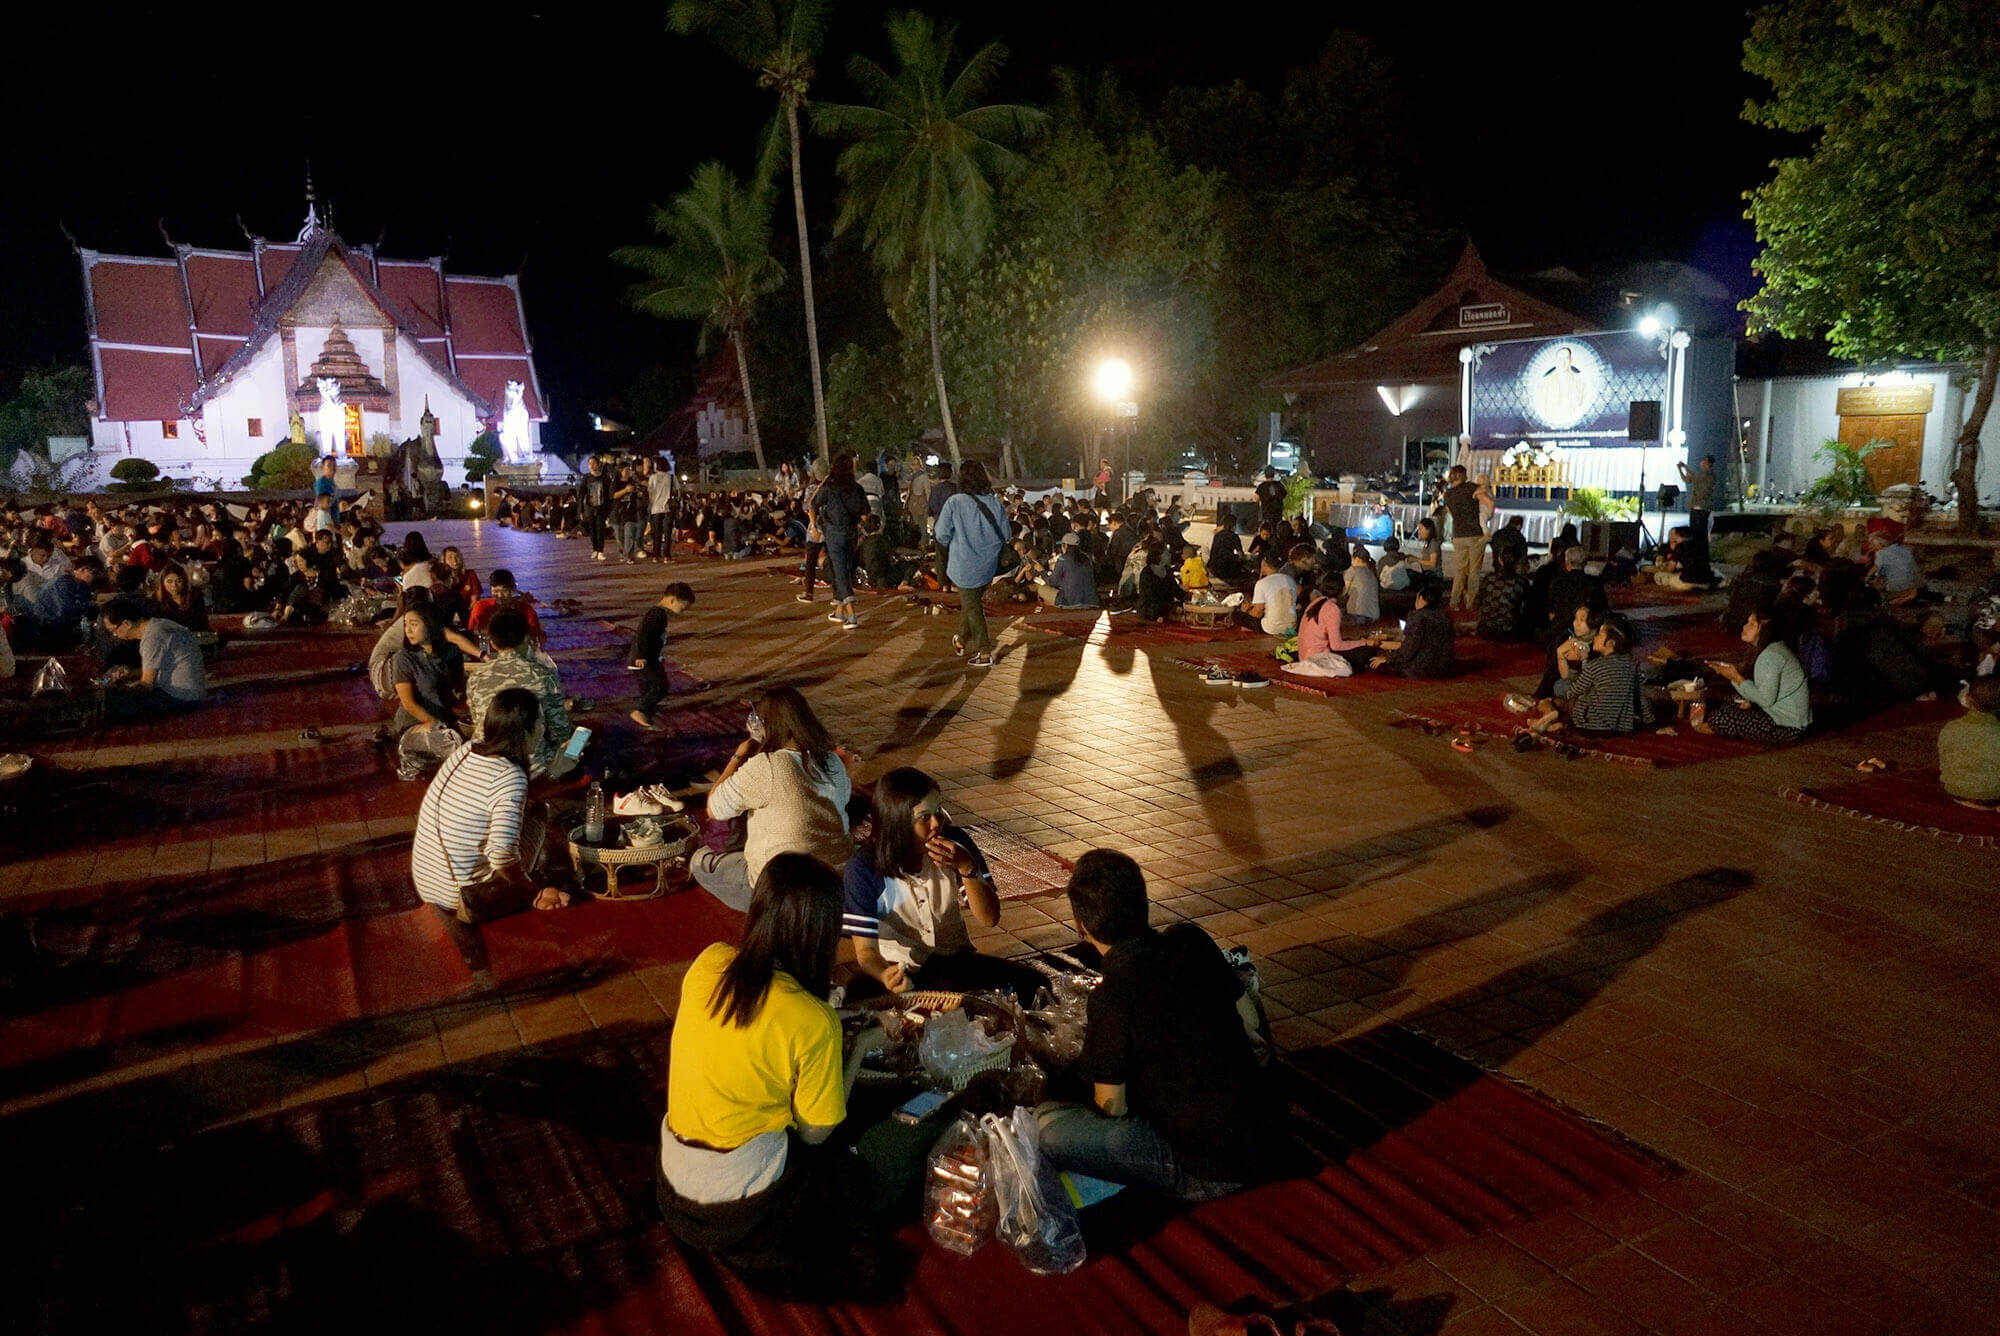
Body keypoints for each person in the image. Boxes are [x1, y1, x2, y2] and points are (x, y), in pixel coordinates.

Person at [658, 853, 893, 1299]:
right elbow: (816, 1134)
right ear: (821, 932)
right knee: (861, 1149)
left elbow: (752, 1036)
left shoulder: (710, 963)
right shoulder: (812, 1019)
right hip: (745, 1211)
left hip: (675, 1190)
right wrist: (861, 1046)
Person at [1036, 850, 1280, 1199]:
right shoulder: (1191, 940)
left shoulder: (1113, 995)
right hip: (1265, 1132)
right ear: (1143, 902)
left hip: (1207, 1167)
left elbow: (1111, 1107)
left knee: (1045, 1128)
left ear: (1081, 926)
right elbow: (1251, 1017)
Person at [841, 767, 1042, 998]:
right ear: (897, 822)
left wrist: (967, 868)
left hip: (951, 961)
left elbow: (989, 918)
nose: (936, 823)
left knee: (1034, 985)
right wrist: (885, 975)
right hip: (897, 966)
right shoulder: (864, 868)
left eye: (938, 811)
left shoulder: (956, 844)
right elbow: (866, 953)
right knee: (856, 1000)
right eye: (924, 817)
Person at [409, 687, 574, 923]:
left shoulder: (468, 750)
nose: (543, 728)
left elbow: (505, 798)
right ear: (525, 732)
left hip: (428, 883)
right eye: (540, 722)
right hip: (461, 896)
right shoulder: (510, 777)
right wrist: (531, 887)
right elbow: (501, 856)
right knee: (538, 812)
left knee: (529, 810)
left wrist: (555, 771)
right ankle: (530, 893)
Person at [691, 688, 852, 912]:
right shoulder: (832, 759)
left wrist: (738, 757)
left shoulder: (768, 765)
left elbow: (715, 808)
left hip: (786, 886)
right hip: (835, 878)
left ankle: (776, 913)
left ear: (767, 725)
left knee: (701, 861)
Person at [468, 607, 576, 778]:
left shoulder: (477, 677)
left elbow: (478, 723)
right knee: (579, 742)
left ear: (492, 643)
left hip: (486, 763)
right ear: (526, 638)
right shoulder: (542, 675)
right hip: (532, 768)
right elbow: (560, 731)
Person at [1694, 603, 1812, 743]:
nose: (1745, 627)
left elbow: (1765, 700)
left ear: (1764, 630)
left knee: (1720, 717)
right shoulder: (1772, 649)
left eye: (1752, 624)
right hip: (1780, 714)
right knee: (1729, 700)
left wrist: (1736, 677)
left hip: (1788, 727)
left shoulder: (1771, 656)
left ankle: (1715, 725)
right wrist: (1736, 679)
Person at [932, 460, 1010, 666]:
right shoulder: (995, 503)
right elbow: (1006, 534)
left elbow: (940, 534)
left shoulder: (954, 502)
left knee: (974, 608)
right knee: (971, 603)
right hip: (988, 565)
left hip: (964, 563)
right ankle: (960, 638)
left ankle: (985, 651)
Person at [390, 602, 468, 777]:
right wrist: (433, 723)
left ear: (431, 623)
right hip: (416, 725)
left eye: (414, 624)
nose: (408, 630)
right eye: (406, 624)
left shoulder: (452, 652)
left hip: (445, 722)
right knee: (455, 747)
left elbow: (459, 693)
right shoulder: (403, 658)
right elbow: (408, 703)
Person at [98, 597, 206, 718]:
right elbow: (165, 667)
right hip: (192, 693)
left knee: (107, 704)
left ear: (126, 624)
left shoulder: (152, 637)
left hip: (180, 697)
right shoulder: (157, 625)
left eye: (113, 630)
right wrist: (132, 673)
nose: (115, 635)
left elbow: (146, 685)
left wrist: (119, 688)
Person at [811, 453, 870, 631]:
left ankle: (851, 614)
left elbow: (813, 504)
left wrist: (814, 527)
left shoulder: (829, 487)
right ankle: (839, 610)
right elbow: (865, 515)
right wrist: (859, 528)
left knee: (840, 571)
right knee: (844, 569)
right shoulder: (857, 488)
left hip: (834, 533)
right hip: (851, 533)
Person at [628, 581, 697, 730]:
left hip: (647, 658)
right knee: (660, 685)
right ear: (673, 600)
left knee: (648, 686)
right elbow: (642, 634)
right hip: (645, 659)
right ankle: (641, 711)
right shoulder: (657, 614)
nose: (682, 611)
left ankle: (646, 710)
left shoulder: (658, 614)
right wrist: (641, 655)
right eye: (682, 607)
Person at [1291, 571, 1377, 676]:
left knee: (1352, 643)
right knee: (1367, 651)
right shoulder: (1332, 609)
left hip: (1304, 654)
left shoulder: (1315, 603)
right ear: (1343, 590)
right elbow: (1336, 645)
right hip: (1317, 658)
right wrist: (1365, 642)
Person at [1940, 677, 2000, 809]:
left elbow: (1944, 761)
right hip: (1992, 794)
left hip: (1955, 790)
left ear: (1967, 699)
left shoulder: (1951, 727)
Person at [1439, 465, 1493, 612]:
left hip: (1458, 535)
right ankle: (1470, 602)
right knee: (1474, 571)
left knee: (1460, 571)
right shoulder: (1470, 487)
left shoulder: (1448, 494)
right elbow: (1486, 499)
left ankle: (1454, 601)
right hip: (1475, 533)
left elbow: (1450, 513)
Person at [1378, 577, 1455, 678]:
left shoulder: (1417, 616)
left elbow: (1410, 648)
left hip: (1420, 668)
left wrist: (1388, 658)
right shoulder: (1444, 616)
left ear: (1421, 599)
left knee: (1376, 665)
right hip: (1444, 667)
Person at [1235, 551, 1297, 635]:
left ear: (1264, 563)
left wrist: (1247, 610)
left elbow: (1257, 614)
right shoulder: (1290, 580)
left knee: (1236, 615)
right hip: (1291, 627)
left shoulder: (1262, 583)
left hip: (1272, 629)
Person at [1039, 533, 1098, 608]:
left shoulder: (1062, 558)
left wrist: (1042, 571)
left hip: (1071, 601)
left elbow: (1052, 582)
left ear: (1065, 545)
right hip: (1092, 600)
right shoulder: (1086, 557)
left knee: (1041, 589)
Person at [1135, 540, 1184, 622]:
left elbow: (1175, 590)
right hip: (1152, 608)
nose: (1169, 555)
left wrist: (1189, 597)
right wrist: (1171, 607)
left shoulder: (1167, 570)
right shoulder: (1147, 573)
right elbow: (1149, 598)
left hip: (1167, 606)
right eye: (1166, 553)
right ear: (1159, 556)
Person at [1343, 547, 1381, 626]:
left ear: (1356, 558)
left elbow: (1345, 591)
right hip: (1374, 615)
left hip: (1357, 613)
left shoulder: (1352, 570)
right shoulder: (1371, 572)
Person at [647, 456, 676, 561]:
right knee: (667, 533)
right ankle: (667, 555)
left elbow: (650, 493)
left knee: (657, 533)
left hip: (656, 508)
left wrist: (653, 503)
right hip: (668, 507)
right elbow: (677, 490)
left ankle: (656, 554)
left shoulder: (653, 478)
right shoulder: (671, 477)